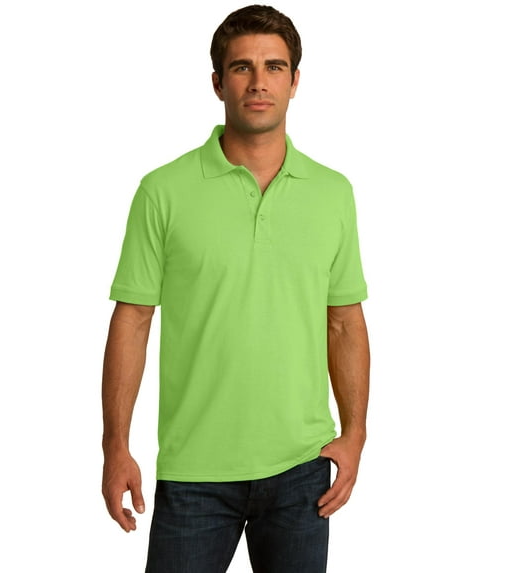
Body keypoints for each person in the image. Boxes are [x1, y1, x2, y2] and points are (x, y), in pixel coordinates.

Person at [101, 5, 370, 572]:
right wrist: (115, 445)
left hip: (302, 468)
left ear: (295, 81)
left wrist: (355, 434)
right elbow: (133, 319)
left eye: (274, 67)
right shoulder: (162, 191)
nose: (258, 82)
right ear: (218, 82)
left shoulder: (333, 193)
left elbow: (344, 322)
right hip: (194, 471)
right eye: (242, 67)